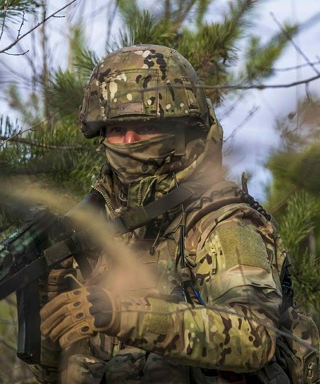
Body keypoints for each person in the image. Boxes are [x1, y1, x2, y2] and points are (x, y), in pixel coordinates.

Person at [32, 44, 292, 384]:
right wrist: (50, 297)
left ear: (180, 129)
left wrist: (124, 314)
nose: (128, 141)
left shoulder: (223, 222)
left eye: (142, 127)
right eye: (114, 129)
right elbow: (55, 372)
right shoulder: (102, 229)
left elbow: (254, 339)